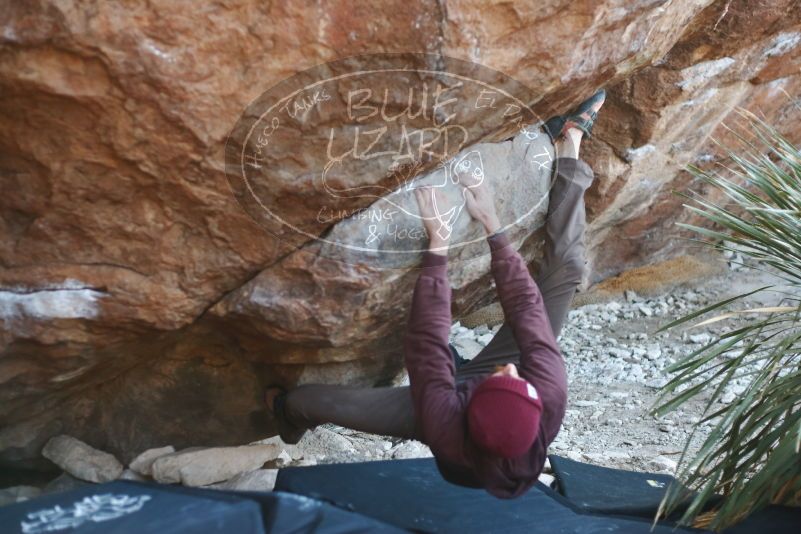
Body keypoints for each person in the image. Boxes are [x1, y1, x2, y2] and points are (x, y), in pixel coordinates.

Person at [266, 89, 606, 498]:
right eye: (520, 379)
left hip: (440, 408)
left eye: (505, 377)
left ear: (469, 400)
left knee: (305, 400)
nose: (513, 369)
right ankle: (569, 147)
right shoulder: (547, 395)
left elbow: (426, 339)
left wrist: (438, 245)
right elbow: (527, 309)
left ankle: (286, 418)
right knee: (566, 271)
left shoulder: (441, 421)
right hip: (479, 400)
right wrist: (494, 228)